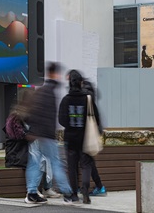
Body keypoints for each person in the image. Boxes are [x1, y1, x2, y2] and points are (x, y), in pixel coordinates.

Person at [24, 62, 73, 205]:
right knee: (56, 163)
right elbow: (50, 117)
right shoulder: (51, 92)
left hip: (34, 135)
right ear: (54, 74)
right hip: (46, 135)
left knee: (34, 163)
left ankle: (32, 193)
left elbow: (31, 112)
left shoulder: (40, 90)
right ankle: (68, 193)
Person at [59, 69, 103, 204]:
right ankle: (85, 190)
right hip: (86, 138)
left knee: (72, 167)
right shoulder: (87, 98)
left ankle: (73, 194)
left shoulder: (66, 100)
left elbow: (62, 120)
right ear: (81, 83)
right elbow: (96, 118)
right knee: (86, 164)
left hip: (71, 139)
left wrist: (71, 126)